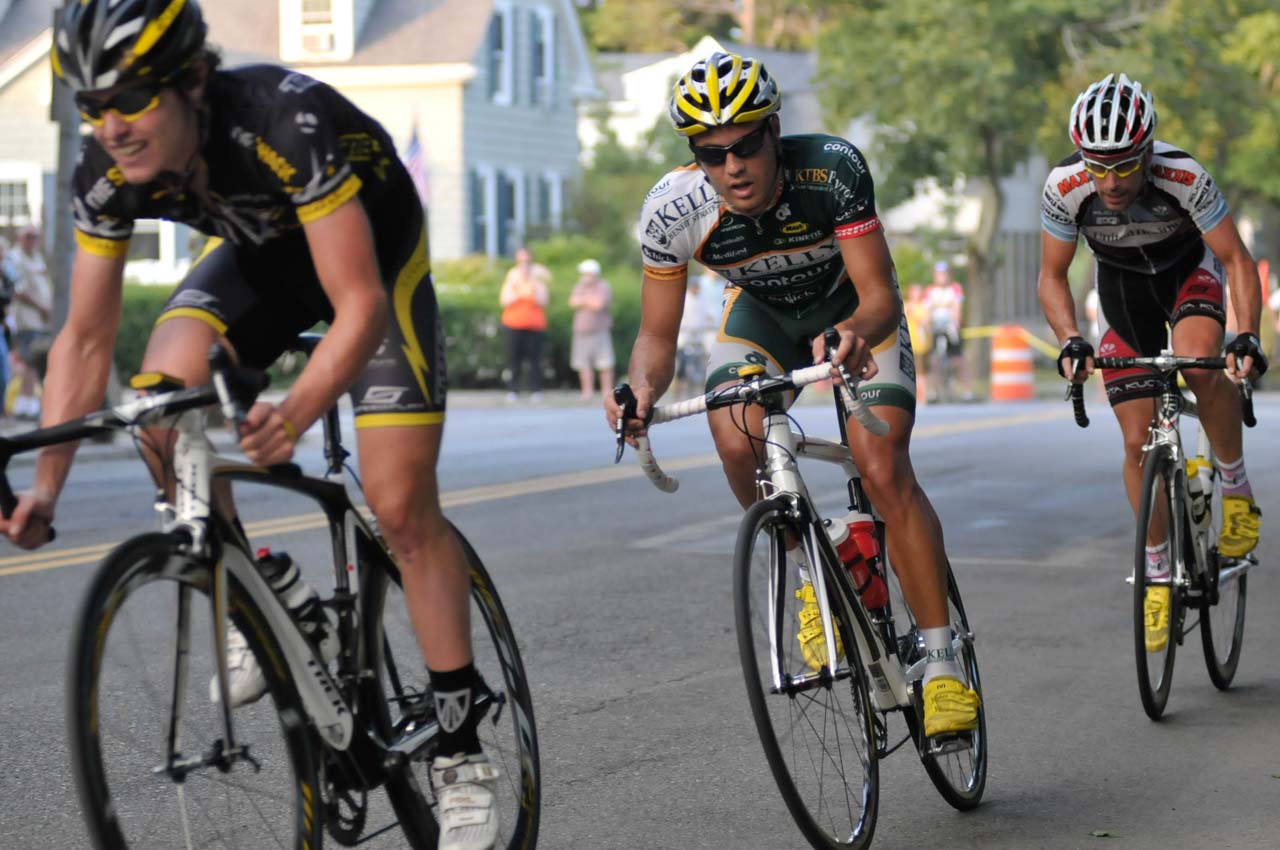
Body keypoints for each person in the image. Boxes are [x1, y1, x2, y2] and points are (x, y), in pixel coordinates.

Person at [0, 3, 498, 848]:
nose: (110, 126)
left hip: (371, 259)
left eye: (130, 99)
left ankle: (459, 751)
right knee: (159, 404)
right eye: (91, 105)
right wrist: (47, 488)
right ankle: (261, 596)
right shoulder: (107, 166)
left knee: (399, 501)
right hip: (263, 257)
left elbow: (359, 303)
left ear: (192, 81)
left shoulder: (280, 120)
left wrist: (297, 410)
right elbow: (84, 337)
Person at [605, 51, 979, 738]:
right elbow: (655, 338)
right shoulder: (672, 210)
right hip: (764, 316)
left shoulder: (831, 170)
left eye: (747, 144)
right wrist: (638, 389)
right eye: (712, 154)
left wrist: (857, 333)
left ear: (774, 130)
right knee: (734, 432)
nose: (733, 166)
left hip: (853, 313)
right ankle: (816, 568)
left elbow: (879, 296)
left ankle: (942, 658)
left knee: (883, 464)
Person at [1038, 73, 1265, 653]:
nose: (1109, 181)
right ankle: (1158, 577)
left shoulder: (1184, 175)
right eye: (1098, 166)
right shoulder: (1066, 186)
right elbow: (1052, 276)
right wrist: (1069, 338)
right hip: (1123, 292)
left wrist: (1247, 335)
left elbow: (1236, 259)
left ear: (1146, 153)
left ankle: (1236, 492)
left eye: (1123, 165)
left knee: (1200, 364)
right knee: (1137, 439)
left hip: (1188, 273)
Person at [8, 224, 53, 420]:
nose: (32, 239)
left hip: (39, 321)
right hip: (27, 319)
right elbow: (19, 290)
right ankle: (23, 406)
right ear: (20, 238)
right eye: (28, 236)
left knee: (32, 362)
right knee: (29, 361)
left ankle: (28, 404)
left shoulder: (36, 257)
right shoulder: (15, 258)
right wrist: (42, 306)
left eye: (36, 236)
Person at [498, 246, 550, 402]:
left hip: (535, 325)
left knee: (535, 360)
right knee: (514, 359)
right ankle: (513, 389)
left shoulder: (537, 278)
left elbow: (544, 301)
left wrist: (534, 286)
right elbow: (504, 300)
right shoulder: (512, 277)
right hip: (513, 325)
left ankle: (535, 390)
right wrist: (519, 289)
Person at [923, 261, 972, 401]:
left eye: (944, 274)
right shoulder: (930, 291)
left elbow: (957, 308)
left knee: (958, 360)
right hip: (936, 329)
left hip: (951, 328)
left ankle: (966, 391)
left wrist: (956, 321)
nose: (942, 277)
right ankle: (934, 392)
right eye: (939, 274)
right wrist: (927, 324)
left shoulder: (955, 288)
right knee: (934, 361)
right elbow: (927, 311)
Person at [567, 258, 615, 400]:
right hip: (581, 331)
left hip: (600, 330)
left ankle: (607, 392)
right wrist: (588, 299)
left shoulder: (604, 286)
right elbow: (572, 302)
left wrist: (583, 300)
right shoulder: (579, 286)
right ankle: (586, 392)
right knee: (583, 363)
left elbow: (598, 304)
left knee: (605, 363)